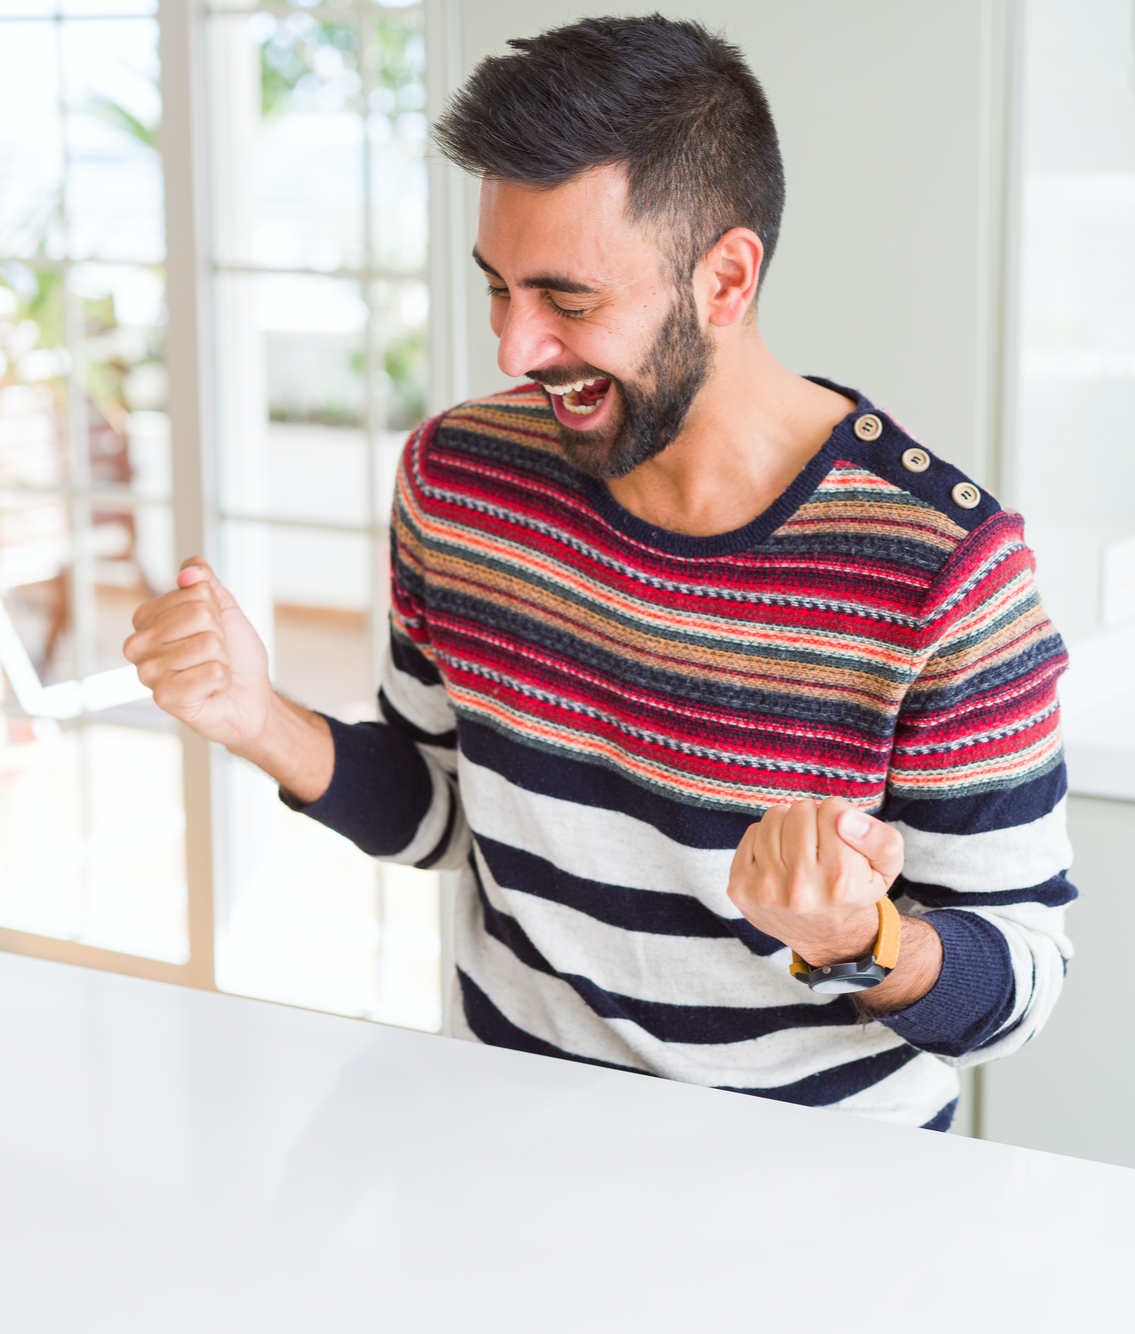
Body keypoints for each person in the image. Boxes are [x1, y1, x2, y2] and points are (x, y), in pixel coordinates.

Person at [124, 15, 1074, 1130]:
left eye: (568, 301)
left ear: (725, 278)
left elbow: (1019, 982)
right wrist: (258, 717)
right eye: (498, 287)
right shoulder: (458, 478)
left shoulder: (942, 572)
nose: (515, 348)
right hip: (509, 1128)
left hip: (812, 1186)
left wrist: (856, 938)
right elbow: (446, 811)